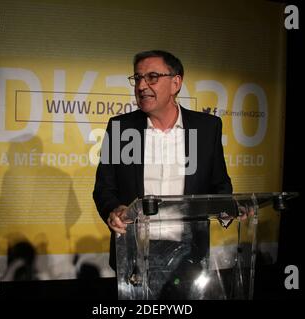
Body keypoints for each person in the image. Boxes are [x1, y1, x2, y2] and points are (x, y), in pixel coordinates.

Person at [92, 50, 233, 290]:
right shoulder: (120, 128)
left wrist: (227, 210)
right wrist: (114, 210)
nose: (142, 86)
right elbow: (104, 188)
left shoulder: (207, 127)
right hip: (135, 254)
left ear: (176, 82)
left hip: (190, 254)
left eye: (152, 77)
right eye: (137, 78)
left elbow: (220, 185)